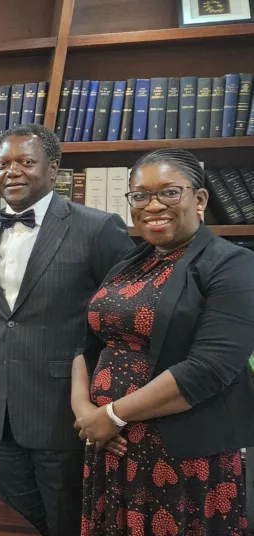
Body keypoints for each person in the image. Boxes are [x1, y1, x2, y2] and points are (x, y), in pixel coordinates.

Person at [73, 148, 254, 535]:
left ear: (199, 199)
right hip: (111, 444)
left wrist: (113, 415)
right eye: (140, 196)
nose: (153, 205)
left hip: (180, 454)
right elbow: (87, 343)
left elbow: (208, 369)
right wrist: (85, 412)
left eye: (169, 193)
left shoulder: (232, 264)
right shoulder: (129, 263)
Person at [0, 124, 134, 536]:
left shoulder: (97, 228)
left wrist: (109, 401)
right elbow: (2, 317)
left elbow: (123, 318)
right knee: (12, 522)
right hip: (1, 408)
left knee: (65, 521)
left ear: (54, 168)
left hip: (64, 408)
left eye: (26, 161)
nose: (13, 172)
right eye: (3, 163)